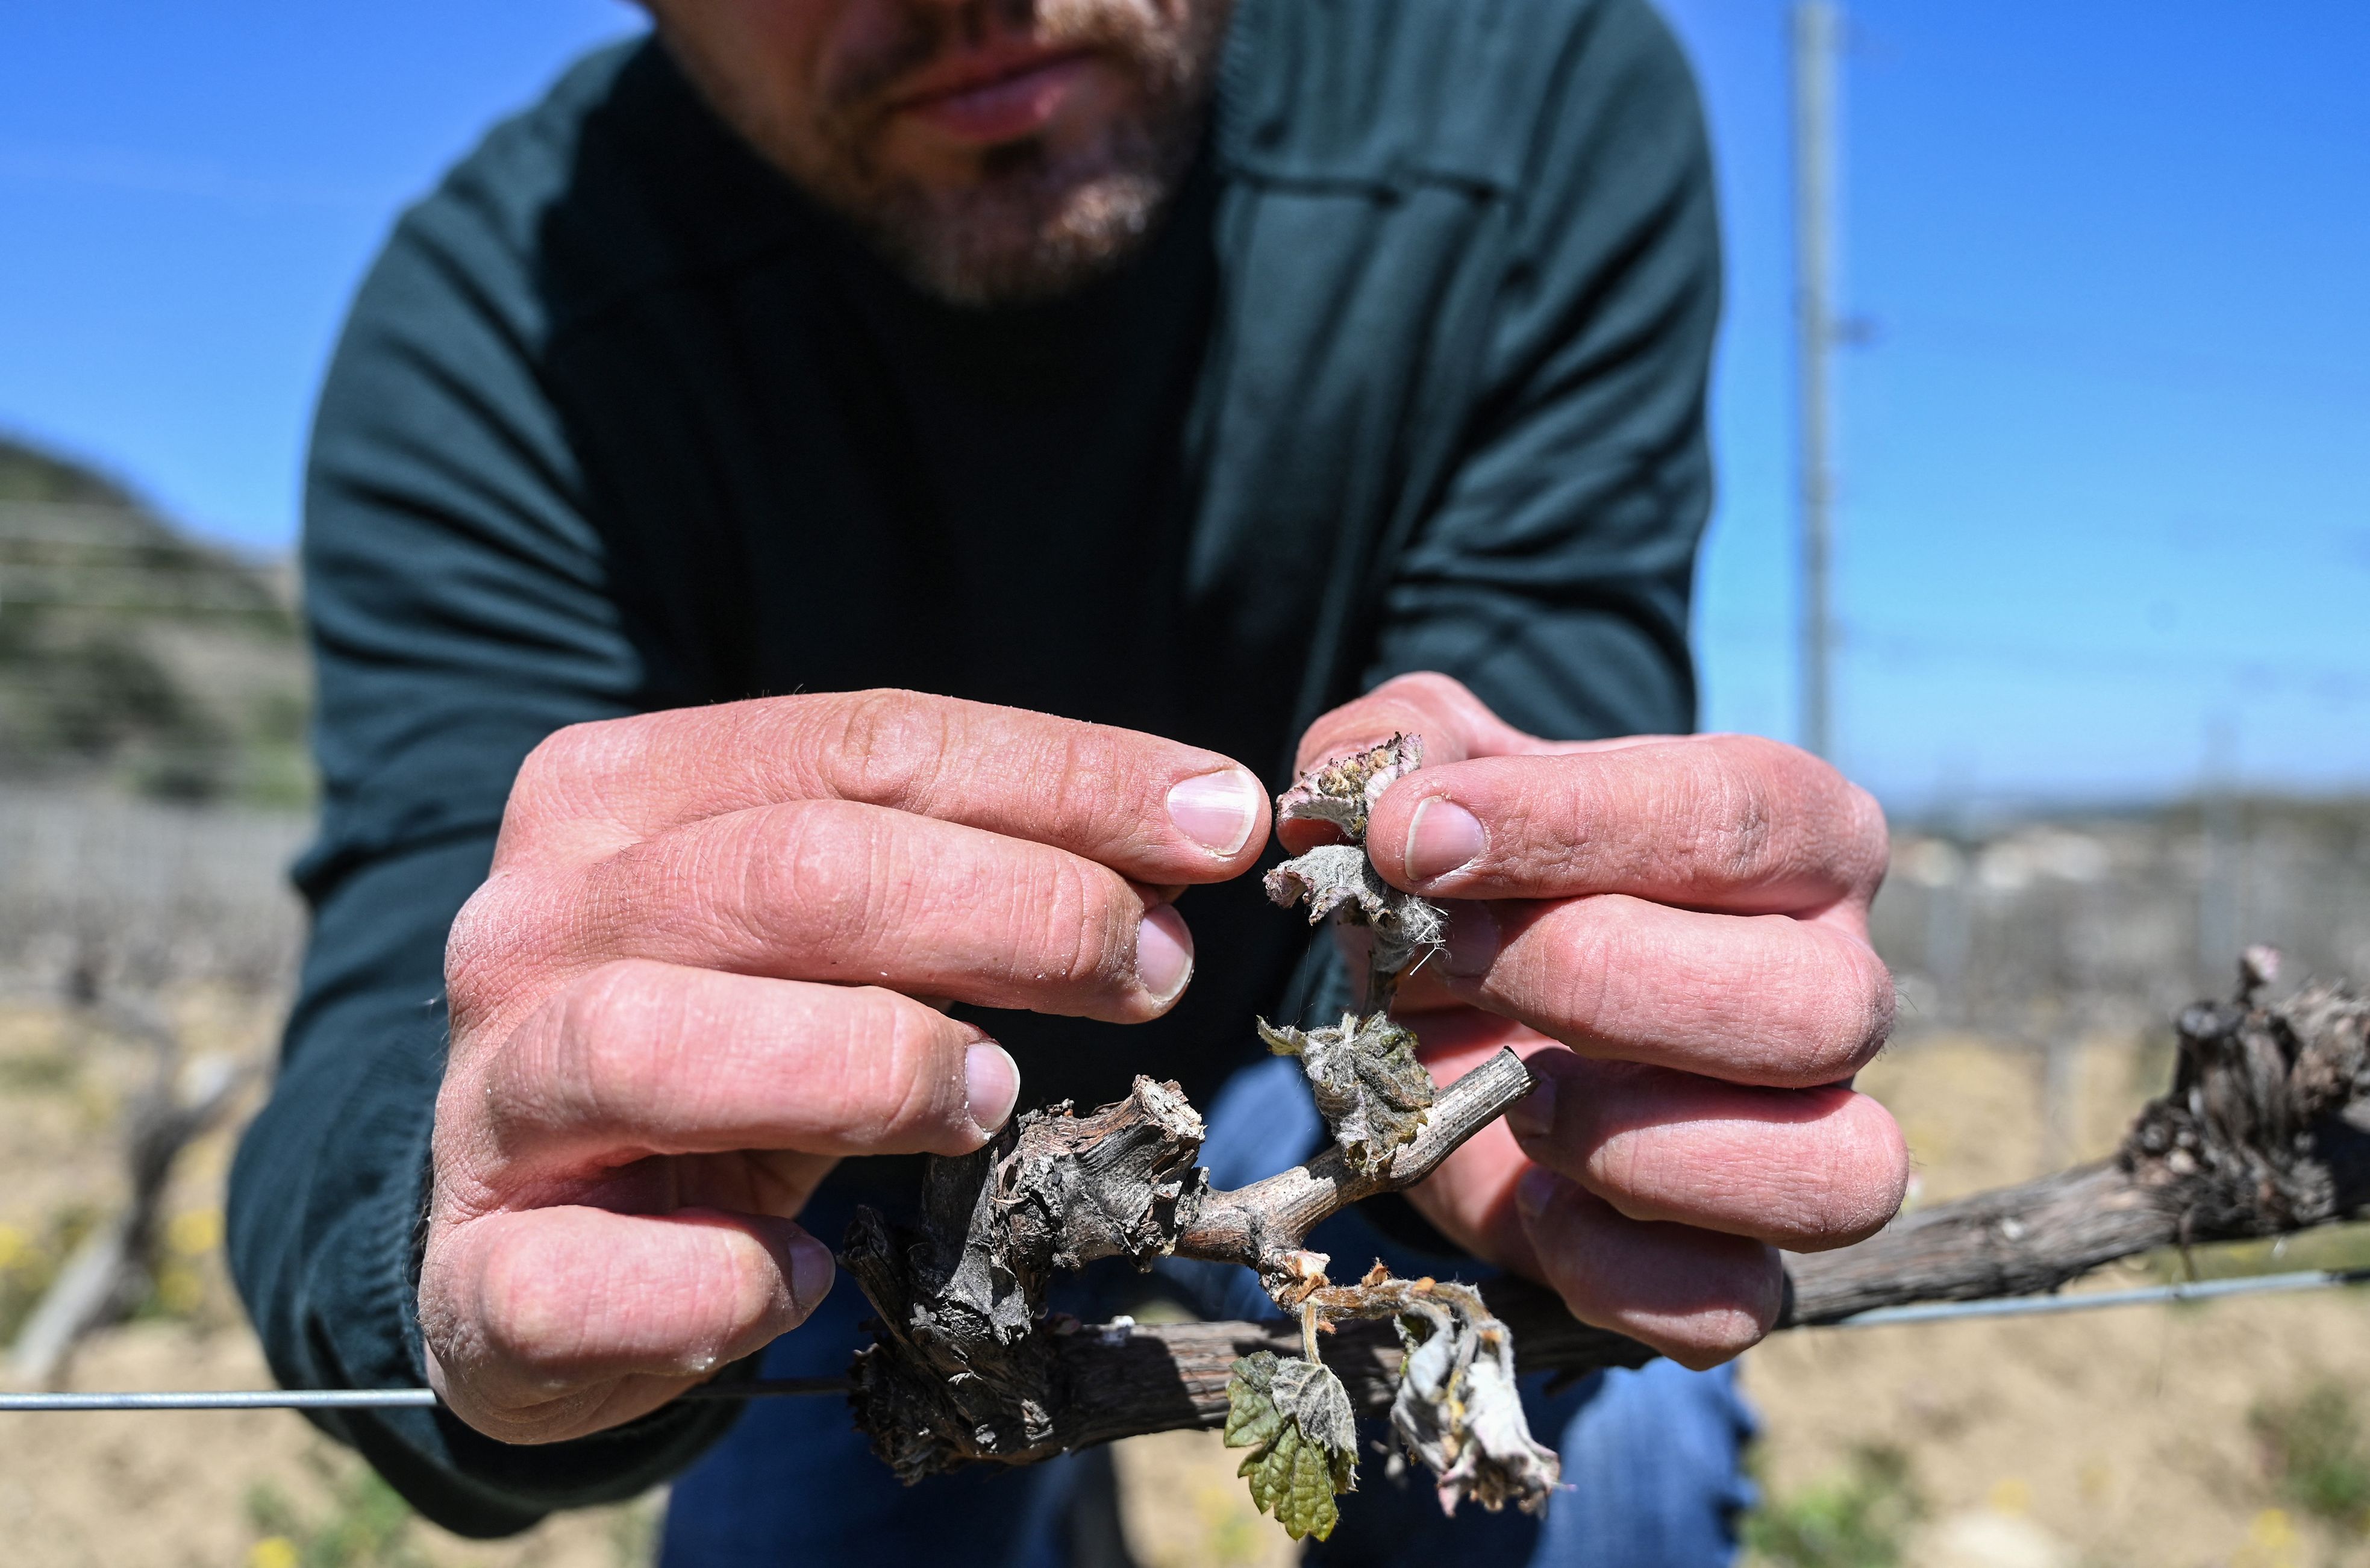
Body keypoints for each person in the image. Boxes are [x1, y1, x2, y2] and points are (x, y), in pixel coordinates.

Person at [226, 0, 1909, 1562]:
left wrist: (1548, 953)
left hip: (1323, 1077)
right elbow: (414, 994)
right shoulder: (502, 328)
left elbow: (1546, 707)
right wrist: (484, 1207)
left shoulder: (1524, 89)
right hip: (816, 1175)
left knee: (1592, 1453)